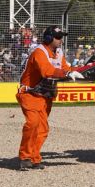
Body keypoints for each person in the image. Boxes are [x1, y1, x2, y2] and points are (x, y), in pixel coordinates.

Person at [15, 26, 83, 171]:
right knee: (32, 123)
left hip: (45, 96)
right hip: (30, 94)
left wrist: (83, 71)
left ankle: (34, 158)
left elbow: (66, 68)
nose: (61, 40)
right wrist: (66, 73)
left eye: (61, 37)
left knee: (42, 128)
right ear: (48, 38)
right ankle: (25, 157)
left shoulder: (58, 53)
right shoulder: (39, 52)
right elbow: (47, 71)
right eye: (58, 37)